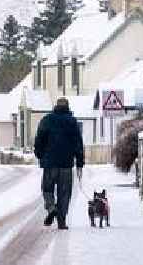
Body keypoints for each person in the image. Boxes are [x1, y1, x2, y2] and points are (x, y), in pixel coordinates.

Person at [34, 97, 85, 230]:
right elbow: (78, 144)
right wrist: (80, 163)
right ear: (68, 107)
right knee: (64, 193)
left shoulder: (47, 120)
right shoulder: (72, 122)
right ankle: (61, 222)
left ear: (55, 106)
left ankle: (51, 208)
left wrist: (40, 155)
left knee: (47, 189)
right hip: (66, 165)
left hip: (50, 164)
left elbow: (39, 139)